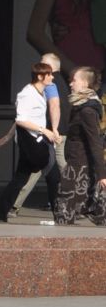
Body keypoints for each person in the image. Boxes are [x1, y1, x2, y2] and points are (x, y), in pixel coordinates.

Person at [0, 56, 63, 223]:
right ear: (40, 77)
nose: (52, 77)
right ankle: (60, 215)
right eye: (49, 74)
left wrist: (51, 131)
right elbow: (21, 119)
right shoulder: (27, 94)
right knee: (52, 174)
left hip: (37, 140)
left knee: (20, 178)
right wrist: (44, 130)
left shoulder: (41, 93)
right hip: (32, 142)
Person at [53, 66, 106, 226]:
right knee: (66, 211)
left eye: (73, 80)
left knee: (64, 210)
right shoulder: (79, 106)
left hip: (79, 170)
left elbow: (95, 142)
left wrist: (102, 175)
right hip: (77, 165)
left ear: (84, 83)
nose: (70, 84)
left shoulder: (87, 110)